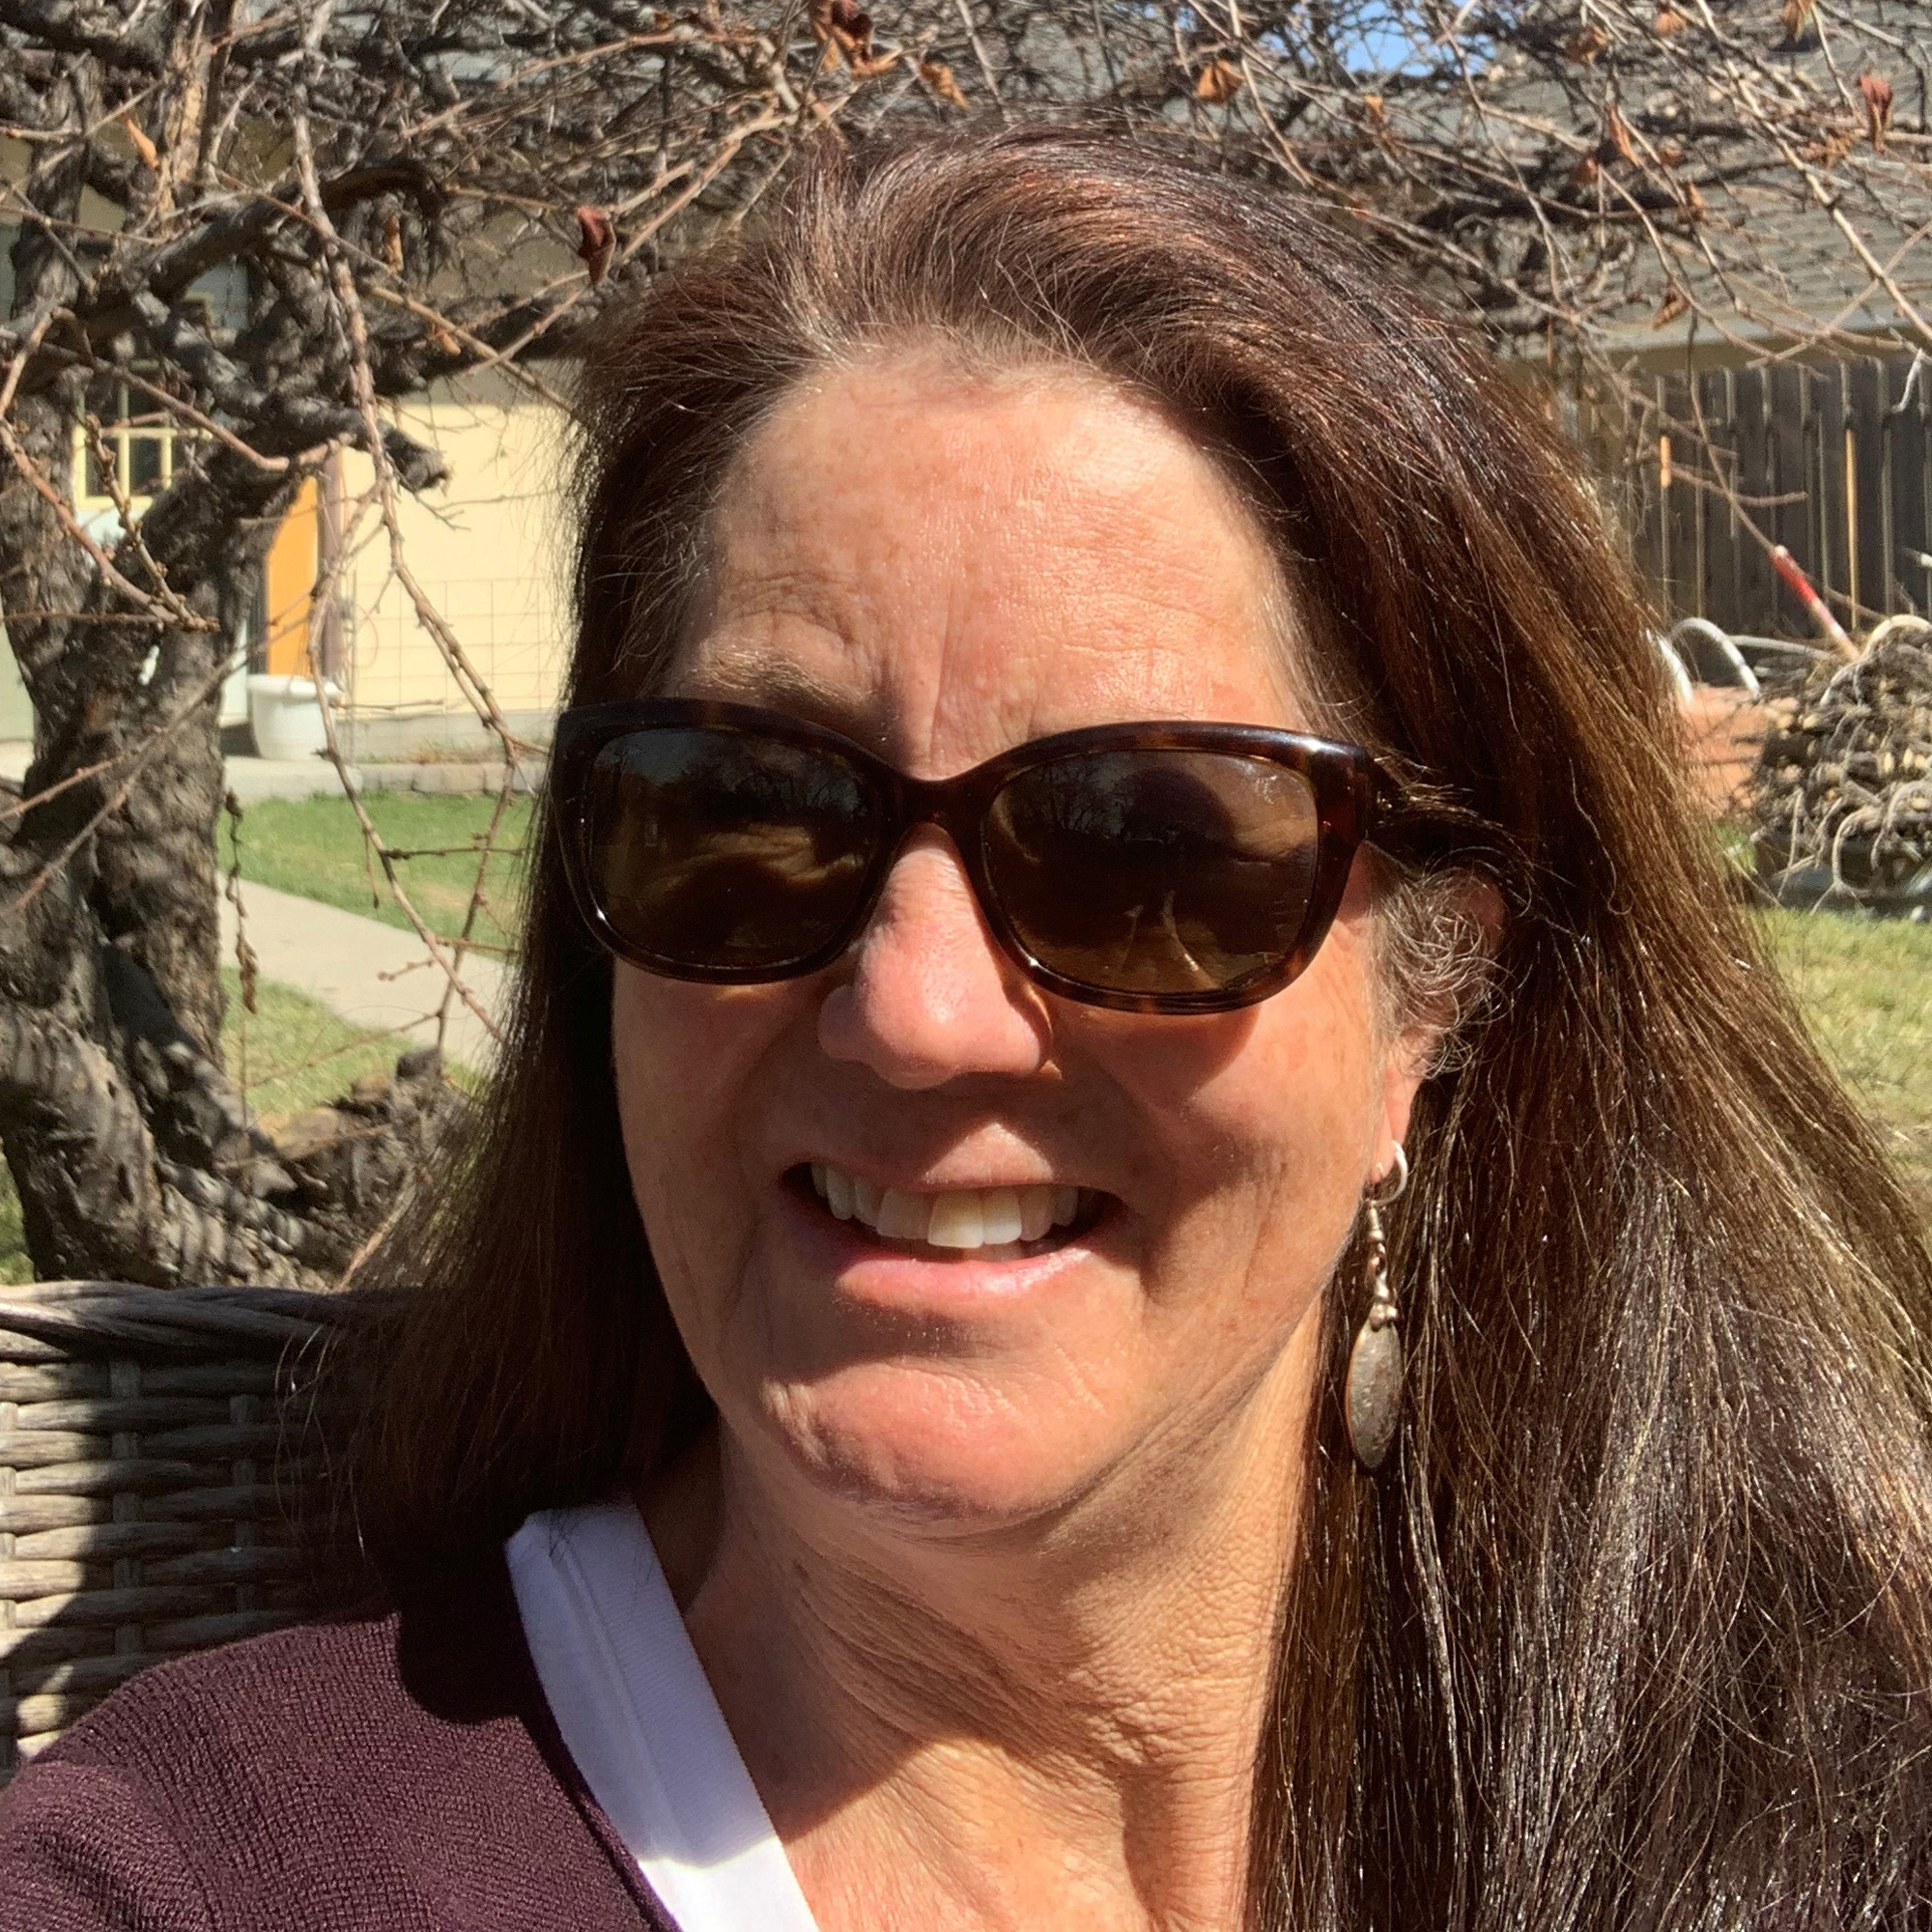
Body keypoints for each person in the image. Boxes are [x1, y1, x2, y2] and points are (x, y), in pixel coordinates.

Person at [4, 123, 1930, 1932]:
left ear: (1438, 1002)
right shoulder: (211, 1876)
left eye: (1148, 844)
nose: (916, 1013)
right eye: (743, 812)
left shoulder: (1817, 1784)